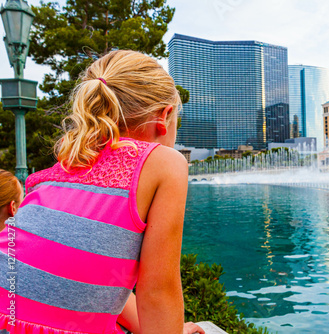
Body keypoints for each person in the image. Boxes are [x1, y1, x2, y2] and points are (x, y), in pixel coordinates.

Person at [0, 50, 205, 334]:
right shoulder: (164, 162)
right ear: (164, 116)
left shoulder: (57, 172)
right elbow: (158, 292)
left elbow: (89, 275)